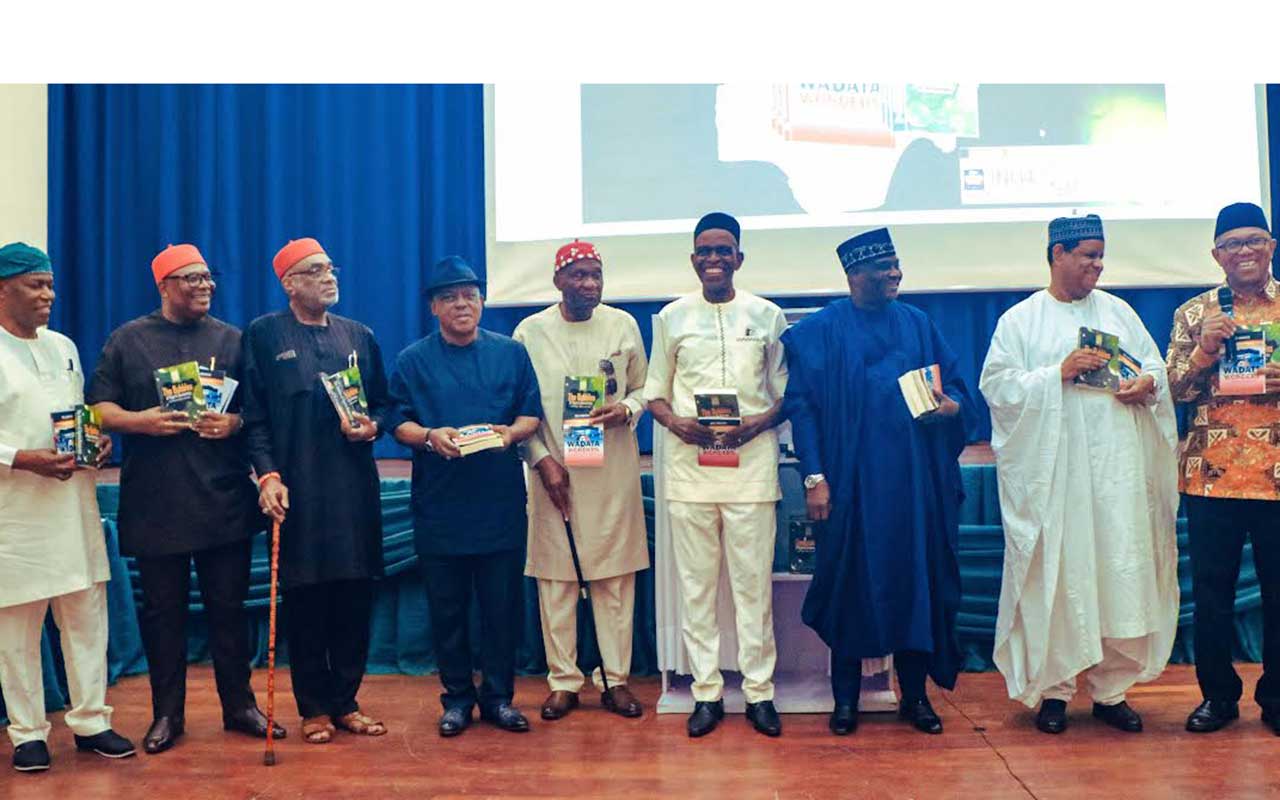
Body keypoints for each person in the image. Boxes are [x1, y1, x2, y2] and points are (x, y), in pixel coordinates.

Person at [980, 214, 1180, 734]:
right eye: (1089, 255)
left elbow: (1153, 368)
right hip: (1056, 481)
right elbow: (998, 388)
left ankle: (1111, 692)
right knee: (1060, 575)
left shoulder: (1118, 311)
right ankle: (1055, 691)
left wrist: (1148, 385)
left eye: (1101, 255)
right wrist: (1058, 374)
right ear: (1058, 254)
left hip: (1115, 478)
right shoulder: (1020, 321)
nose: (1098, 265)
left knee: (1117, 572)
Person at [88, 244, 282, 754]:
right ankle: (167, 715)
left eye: (207, 278)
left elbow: (257, 414)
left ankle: (239, 706)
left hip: (223, 499)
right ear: (164, 286)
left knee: (228, 610)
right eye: (192, 279)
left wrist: (233, 423)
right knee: (163, 615)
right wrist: (141, 421)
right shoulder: (128, 340)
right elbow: (98, 408)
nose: (204, 286)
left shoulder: (232, 339)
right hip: (156, 503)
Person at [782, 227, 975, 736]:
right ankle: (845, 700)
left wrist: (951, 407)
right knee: (849, 588)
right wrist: (814, 478)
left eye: (896, 264)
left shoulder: (918, 325)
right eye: (883, 267)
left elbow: (956, 390)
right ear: (854, 274)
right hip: (850, 489)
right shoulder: (821, 331)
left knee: (918, 586)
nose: (894, 273)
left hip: (914, 489)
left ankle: (916, 698)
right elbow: (802, 409)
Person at [643, 212, 788, 738]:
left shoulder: (767, 315)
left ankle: (759, 693)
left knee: (753, 589)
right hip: (690, 473)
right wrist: (677, 424)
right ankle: (706, 692)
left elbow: (784, 395)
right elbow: (655, 393)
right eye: (705, 251)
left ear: (739, 258)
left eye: (723, 250)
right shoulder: (672, 317)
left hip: (751, 471)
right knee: (697, 589)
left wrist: (756, 426)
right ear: (693, 259)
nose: (714, 259)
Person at [240, 237, 390, 745]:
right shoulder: (263, 335)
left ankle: (347, 702)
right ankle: (314, 708)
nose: (329, 278)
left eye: (330, 269)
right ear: (290, 284)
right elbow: (254, 417)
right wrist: (267, 475)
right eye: (315, 271)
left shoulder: (359, 335)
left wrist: (372, 426)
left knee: (353, 596)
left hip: (353, 493)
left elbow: (383, 404)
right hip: (295, 493)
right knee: (305, 600)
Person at [389, 256, 542, 737]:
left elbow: (530, 415)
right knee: (447, 611)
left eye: (470, 295)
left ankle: (498, 698)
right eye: (450, 297)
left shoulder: (511, 354)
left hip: (499, 504)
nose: (462, 304)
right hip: (440, 506)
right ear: (434, 307)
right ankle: (456, 699)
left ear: (482, 301)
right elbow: (397, 422)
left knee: (501, 611)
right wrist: (429, 436)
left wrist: (509, 434)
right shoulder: (412, 360)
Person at [0, 242, 135, 772]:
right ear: (3, 290)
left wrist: (96, 441)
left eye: (51, 285)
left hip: (73, 507)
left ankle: (91, 721)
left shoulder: (63, 347)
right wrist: (21, 459)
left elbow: (78, 415)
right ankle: (28, 732)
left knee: (86, 618)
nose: (48, 295)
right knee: (17, 629)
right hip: (15, 514)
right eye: (36, 285)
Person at [513, 240, 649, 721]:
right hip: (554, 473)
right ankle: (564, 682)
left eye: (596, 275)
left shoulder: (622, 324)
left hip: (611, 472)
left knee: (615, 579)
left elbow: (644, 388)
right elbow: (519, 408)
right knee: (556, 582)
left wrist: (627, 408)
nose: (590, 284)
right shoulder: (530, 332)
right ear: (558, 281)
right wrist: (541, 460)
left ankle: (615, 680)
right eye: (579, 275)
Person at [1165, 202, 1280, 735]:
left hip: (1277, 476)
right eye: (1233, 244)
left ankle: (1277, 698)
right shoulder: (1194, 314)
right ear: (1217, 256)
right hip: (1211, 475)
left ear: (1271, 247)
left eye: (1254, 240)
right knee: (1211, 593)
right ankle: (1218, 697)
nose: (1245, 251)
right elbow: (1173, 392)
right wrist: (1204, 352)